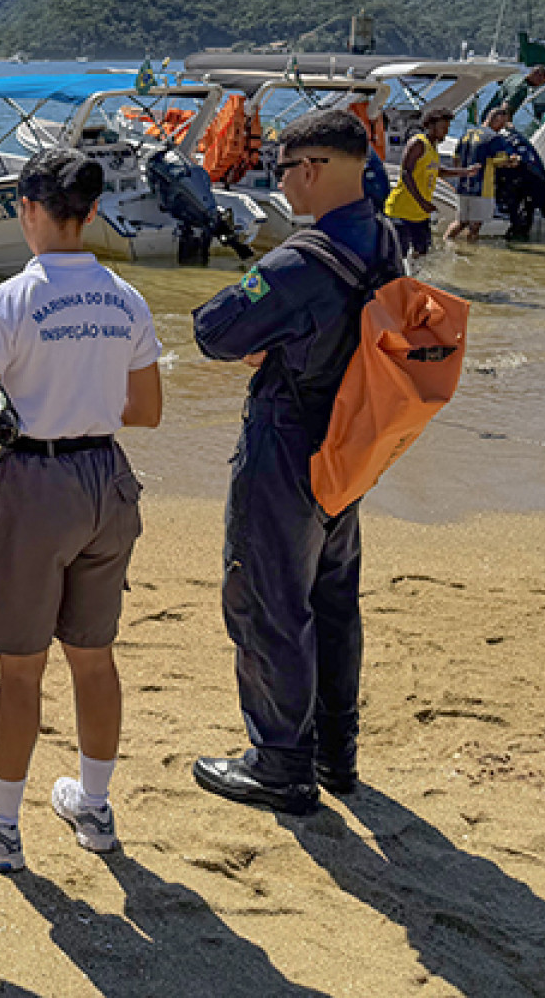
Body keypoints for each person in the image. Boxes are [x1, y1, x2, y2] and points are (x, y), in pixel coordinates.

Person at [0, 150, 163, 873]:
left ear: (27, 209)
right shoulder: (126, 298)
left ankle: (1, 823)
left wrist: (17, 409)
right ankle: (93, 807)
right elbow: (148, 411)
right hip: (107, 476)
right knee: (93, 658)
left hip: (38, 482)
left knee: (20, 670)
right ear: (92, 212)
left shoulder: (7, 300)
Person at [187, 108, 402, 815]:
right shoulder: (386, 239)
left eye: (281, 169)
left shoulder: (303, 259)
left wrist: (268, 340)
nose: (278, 182)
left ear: (311, 168)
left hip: (287, 441)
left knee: (268, 600)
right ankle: (337, 754)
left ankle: (280, 763)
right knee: (333, 599)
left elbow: (213, 331)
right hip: (351, 442)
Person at [381, 106, 474, 257]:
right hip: (401, 212)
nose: (446, 131)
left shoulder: (432, 147)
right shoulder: (418, 143)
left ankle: (415, 279)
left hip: (420, 215)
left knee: (423, 253)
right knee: (399, 256)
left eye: (447, 128)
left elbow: (439, 171)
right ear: (431, 126)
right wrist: (422, 201)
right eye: (443, 127)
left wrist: (466, 172)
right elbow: (406, 174)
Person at [444, 107, 516, 243]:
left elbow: (456, 158)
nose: (502, 128)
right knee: (475, 225)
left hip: (463, 187)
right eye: (502, 123)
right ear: (496, 119)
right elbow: (500, 161)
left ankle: (447, 241)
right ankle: (470, 251)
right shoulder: (494, 138)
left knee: (460, 221)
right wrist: (512, 161)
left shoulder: (466, 134)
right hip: (482, 188)